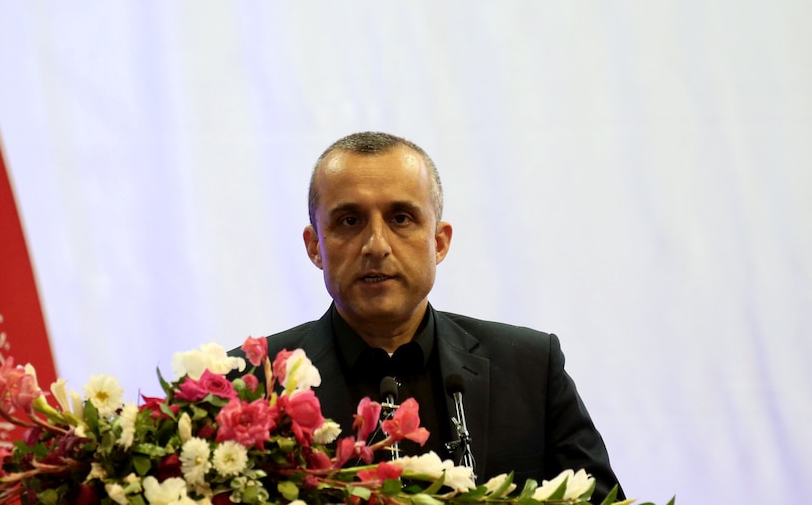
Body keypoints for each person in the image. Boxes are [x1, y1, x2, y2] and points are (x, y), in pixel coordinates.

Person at [234, 131, 624, 501]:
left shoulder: (531, 369)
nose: (376, 245)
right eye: (350, 221)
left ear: (439, 242)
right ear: (315, 246)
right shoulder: (248, 387)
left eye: (401, 218)